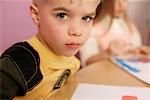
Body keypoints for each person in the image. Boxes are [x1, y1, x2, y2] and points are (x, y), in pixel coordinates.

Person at [0, 0, 101, 99]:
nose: (77, 31)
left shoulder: (70, 59)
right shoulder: (19, 63)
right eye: (62, 15)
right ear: (36, 15)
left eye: (86, 18)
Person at [80, 0, 143, 66]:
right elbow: (87, 62)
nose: (121, 5)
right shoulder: (93, 29)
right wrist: (109, 52)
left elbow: (135, 50)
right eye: (115, 1)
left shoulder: (130, 27)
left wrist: (140, 51)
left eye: (124, 0)